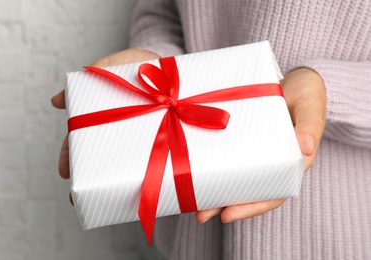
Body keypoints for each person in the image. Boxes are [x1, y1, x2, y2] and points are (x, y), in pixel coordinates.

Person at [51, 0, 371, 259]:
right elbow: (160, 12)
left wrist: (330, 90)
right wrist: (155, 61)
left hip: (334, 234)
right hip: (191, 237)